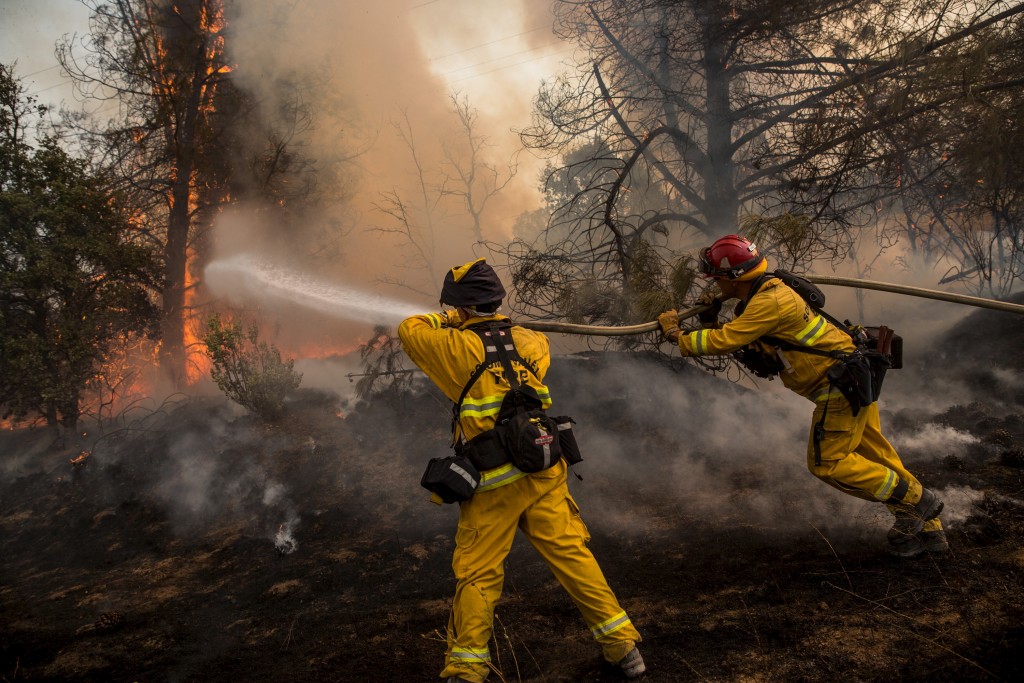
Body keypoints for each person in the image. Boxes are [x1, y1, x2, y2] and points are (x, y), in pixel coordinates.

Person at [398, 258, 645, 683]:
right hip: (544, 468)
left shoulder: (452, 347)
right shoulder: (533, 342)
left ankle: (466, 670)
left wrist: (444, 319)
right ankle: (624, 649)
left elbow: (409, 329)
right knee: (573, 556)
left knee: (478, 573)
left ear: (457, 308)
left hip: (492, 483)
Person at [657, 235, 947, 558]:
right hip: (855, 377)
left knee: (828, 463)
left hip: (839, 389)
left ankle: (917, 502)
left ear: (732, 278)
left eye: (716, 277)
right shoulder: (765, 294)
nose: (712, 283)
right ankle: (930, 532)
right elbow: (755, 352)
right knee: (879, 458)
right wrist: (709, 319)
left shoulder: (769, 303)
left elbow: (724, 341)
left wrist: (676, 335)